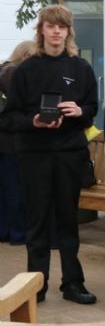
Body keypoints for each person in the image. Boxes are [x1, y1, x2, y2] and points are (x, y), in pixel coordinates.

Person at [0, 5, 99, 303]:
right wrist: (33, 121)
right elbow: (7, 118)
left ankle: (73, 283)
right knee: (37, 221)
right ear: (41, 30)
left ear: (68, 31)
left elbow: (92, 111)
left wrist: (80, 111)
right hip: (35, 155)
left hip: (70, 154)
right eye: (50, 26)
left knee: (68, 220)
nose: (56, 31)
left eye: (62, 26)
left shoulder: (81, 68)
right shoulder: (25, 70)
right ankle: (36, 286)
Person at [0, 40, 32, 247]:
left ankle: (5, 231)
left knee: (6, 190)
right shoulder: (13, 72)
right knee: (15, 190)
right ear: (26, 56)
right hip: (10, 142)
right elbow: (19, 104)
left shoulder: (3, 69)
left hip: (4, 142)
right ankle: (18, 234)